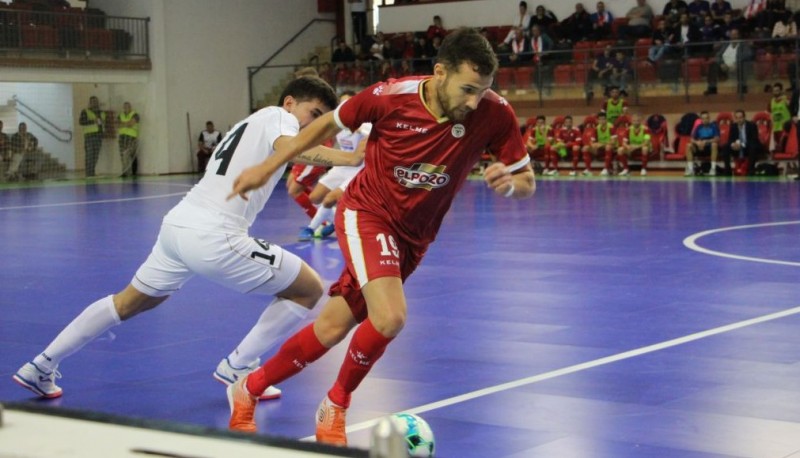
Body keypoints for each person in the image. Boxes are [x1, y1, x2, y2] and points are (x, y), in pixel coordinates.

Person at [225, 28, 535, 444]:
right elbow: (324, 127)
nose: (473, 101)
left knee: (332, 328)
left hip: (415, 237)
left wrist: (511, 185)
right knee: (389, 317)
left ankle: (249, 387)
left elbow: (526, 179)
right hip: (366, 214)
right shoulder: (389, 96)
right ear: (440, 72)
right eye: (467, 89)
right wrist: (268, 167)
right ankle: (335, 404)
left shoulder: (494, 113)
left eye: (482, 91)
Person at [11, 77, 363, 403]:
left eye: (321, 120)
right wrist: (352, 157)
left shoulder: (252, 123)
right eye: (312, 114)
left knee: (131, 301)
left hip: (178, 227)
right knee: (308, 288)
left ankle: (41, 365)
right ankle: (240, 366)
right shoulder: (279, 119)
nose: (312, 125)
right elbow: (293, 148)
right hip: (215, 234)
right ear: (289, 102)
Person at [298, 92, 371, 241]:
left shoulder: (366, 124)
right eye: (342, 103)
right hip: (342, 165)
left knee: (330, 198)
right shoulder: (338, 124)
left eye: (348, 102)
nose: (345, 106)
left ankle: (310, 229)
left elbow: (376, 136)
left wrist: (361, 131)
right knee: (315, 197)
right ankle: (334, 221)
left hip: (359, 169)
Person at [704, 28, 753, 95]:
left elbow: (749, 54)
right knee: (713, 65)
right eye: (732, 35)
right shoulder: (726, 44)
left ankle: (742, 87)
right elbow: (718, 55)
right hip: (724, 66)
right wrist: (721, 64)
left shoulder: (743, 45)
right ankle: (712, 88)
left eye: (735, 35)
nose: (734, 36)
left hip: (736, 66)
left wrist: (736, 63)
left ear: (739, 36)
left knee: (743, 65)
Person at [723, 109, 761, 176]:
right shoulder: (733, 126)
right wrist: (733, 144)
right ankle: (727, 170)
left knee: (753, 146)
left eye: (740, 117)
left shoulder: (751, 125)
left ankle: (750, 170)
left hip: (748, 147)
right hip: (737, 148)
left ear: (744, 117)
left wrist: (742, 145)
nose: (739, 120)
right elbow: (730, 139)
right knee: (725, 147)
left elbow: (754, 139)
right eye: (737, 118)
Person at [686, 110, 720, 176]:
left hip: (709, 147)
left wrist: (706, 141)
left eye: (706, 118)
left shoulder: (713, 126)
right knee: (688, 145)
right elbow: (691, 139)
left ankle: (713, 169)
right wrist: (697, 142)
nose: (705, 120)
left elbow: (717, 139)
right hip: (700, 147)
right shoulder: (698, 128)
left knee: (714, 144)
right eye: (703, 118)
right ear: (701, 119)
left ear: (709, 118)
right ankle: (690, 169)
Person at [79, 95, 106, 178]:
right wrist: (92, 121)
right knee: (89, 155)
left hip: (98, 136)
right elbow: (81, 122)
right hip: (89, 136)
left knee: (96, 155)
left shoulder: (101, 113)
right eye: (93, 102)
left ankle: (92, 172)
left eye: (96, 101)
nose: (95, 103)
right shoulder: (85, 111)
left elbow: (103, 124)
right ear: (90, 103)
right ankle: (89, 173)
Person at [586, 112, 617, 176]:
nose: (602, 121)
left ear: (606, 119)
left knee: (608, 147)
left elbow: (613, 142)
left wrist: (601, 144)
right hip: (601, 147)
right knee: (586, 148)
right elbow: (592, 141)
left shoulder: (611, 126)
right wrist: (593, 145)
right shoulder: (597, 128)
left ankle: (606, 169)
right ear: (598, 120)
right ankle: (588, 170)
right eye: (600, 119)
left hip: (612, 147)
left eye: (603, 119)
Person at [117, 101, 140, 177]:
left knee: (132, 154)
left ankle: (134, 172)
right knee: (123, 154)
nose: (126, 108)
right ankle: (125, 172)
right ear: (123, 108)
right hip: (122, 136)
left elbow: (132, 123)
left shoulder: (135, 114)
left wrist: (123, 124)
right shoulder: (120, 115)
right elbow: (117, 124)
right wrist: (127, 123)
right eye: (125, 106)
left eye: (128, 106)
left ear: (130, 107)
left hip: (131, 136)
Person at [769, 82, 791, 149]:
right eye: (774, 91)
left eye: (777, 90)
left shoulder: (786, 99)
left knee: (785, 145)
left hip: (785, 126)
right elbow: (769, 112)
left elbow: (792, 108)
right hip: (776, 126)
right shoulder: (772, 101)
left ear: (781, 91)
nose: (775, 92)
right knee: (777, 146)